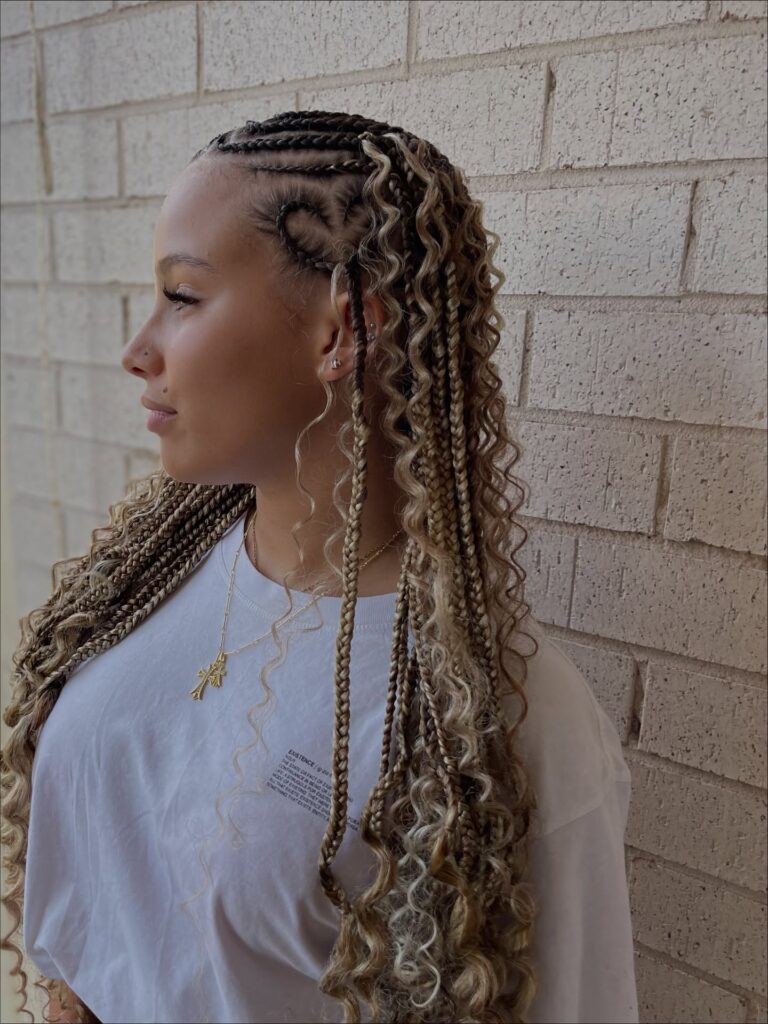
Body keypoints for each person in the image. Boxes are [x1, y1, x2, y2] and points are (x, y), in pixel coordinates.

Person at [1, 111, 639, 1024]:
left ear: (343, 330)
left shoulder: (503, 726)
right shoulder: (149, 581)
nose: (138, 351)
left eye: (182, 297)